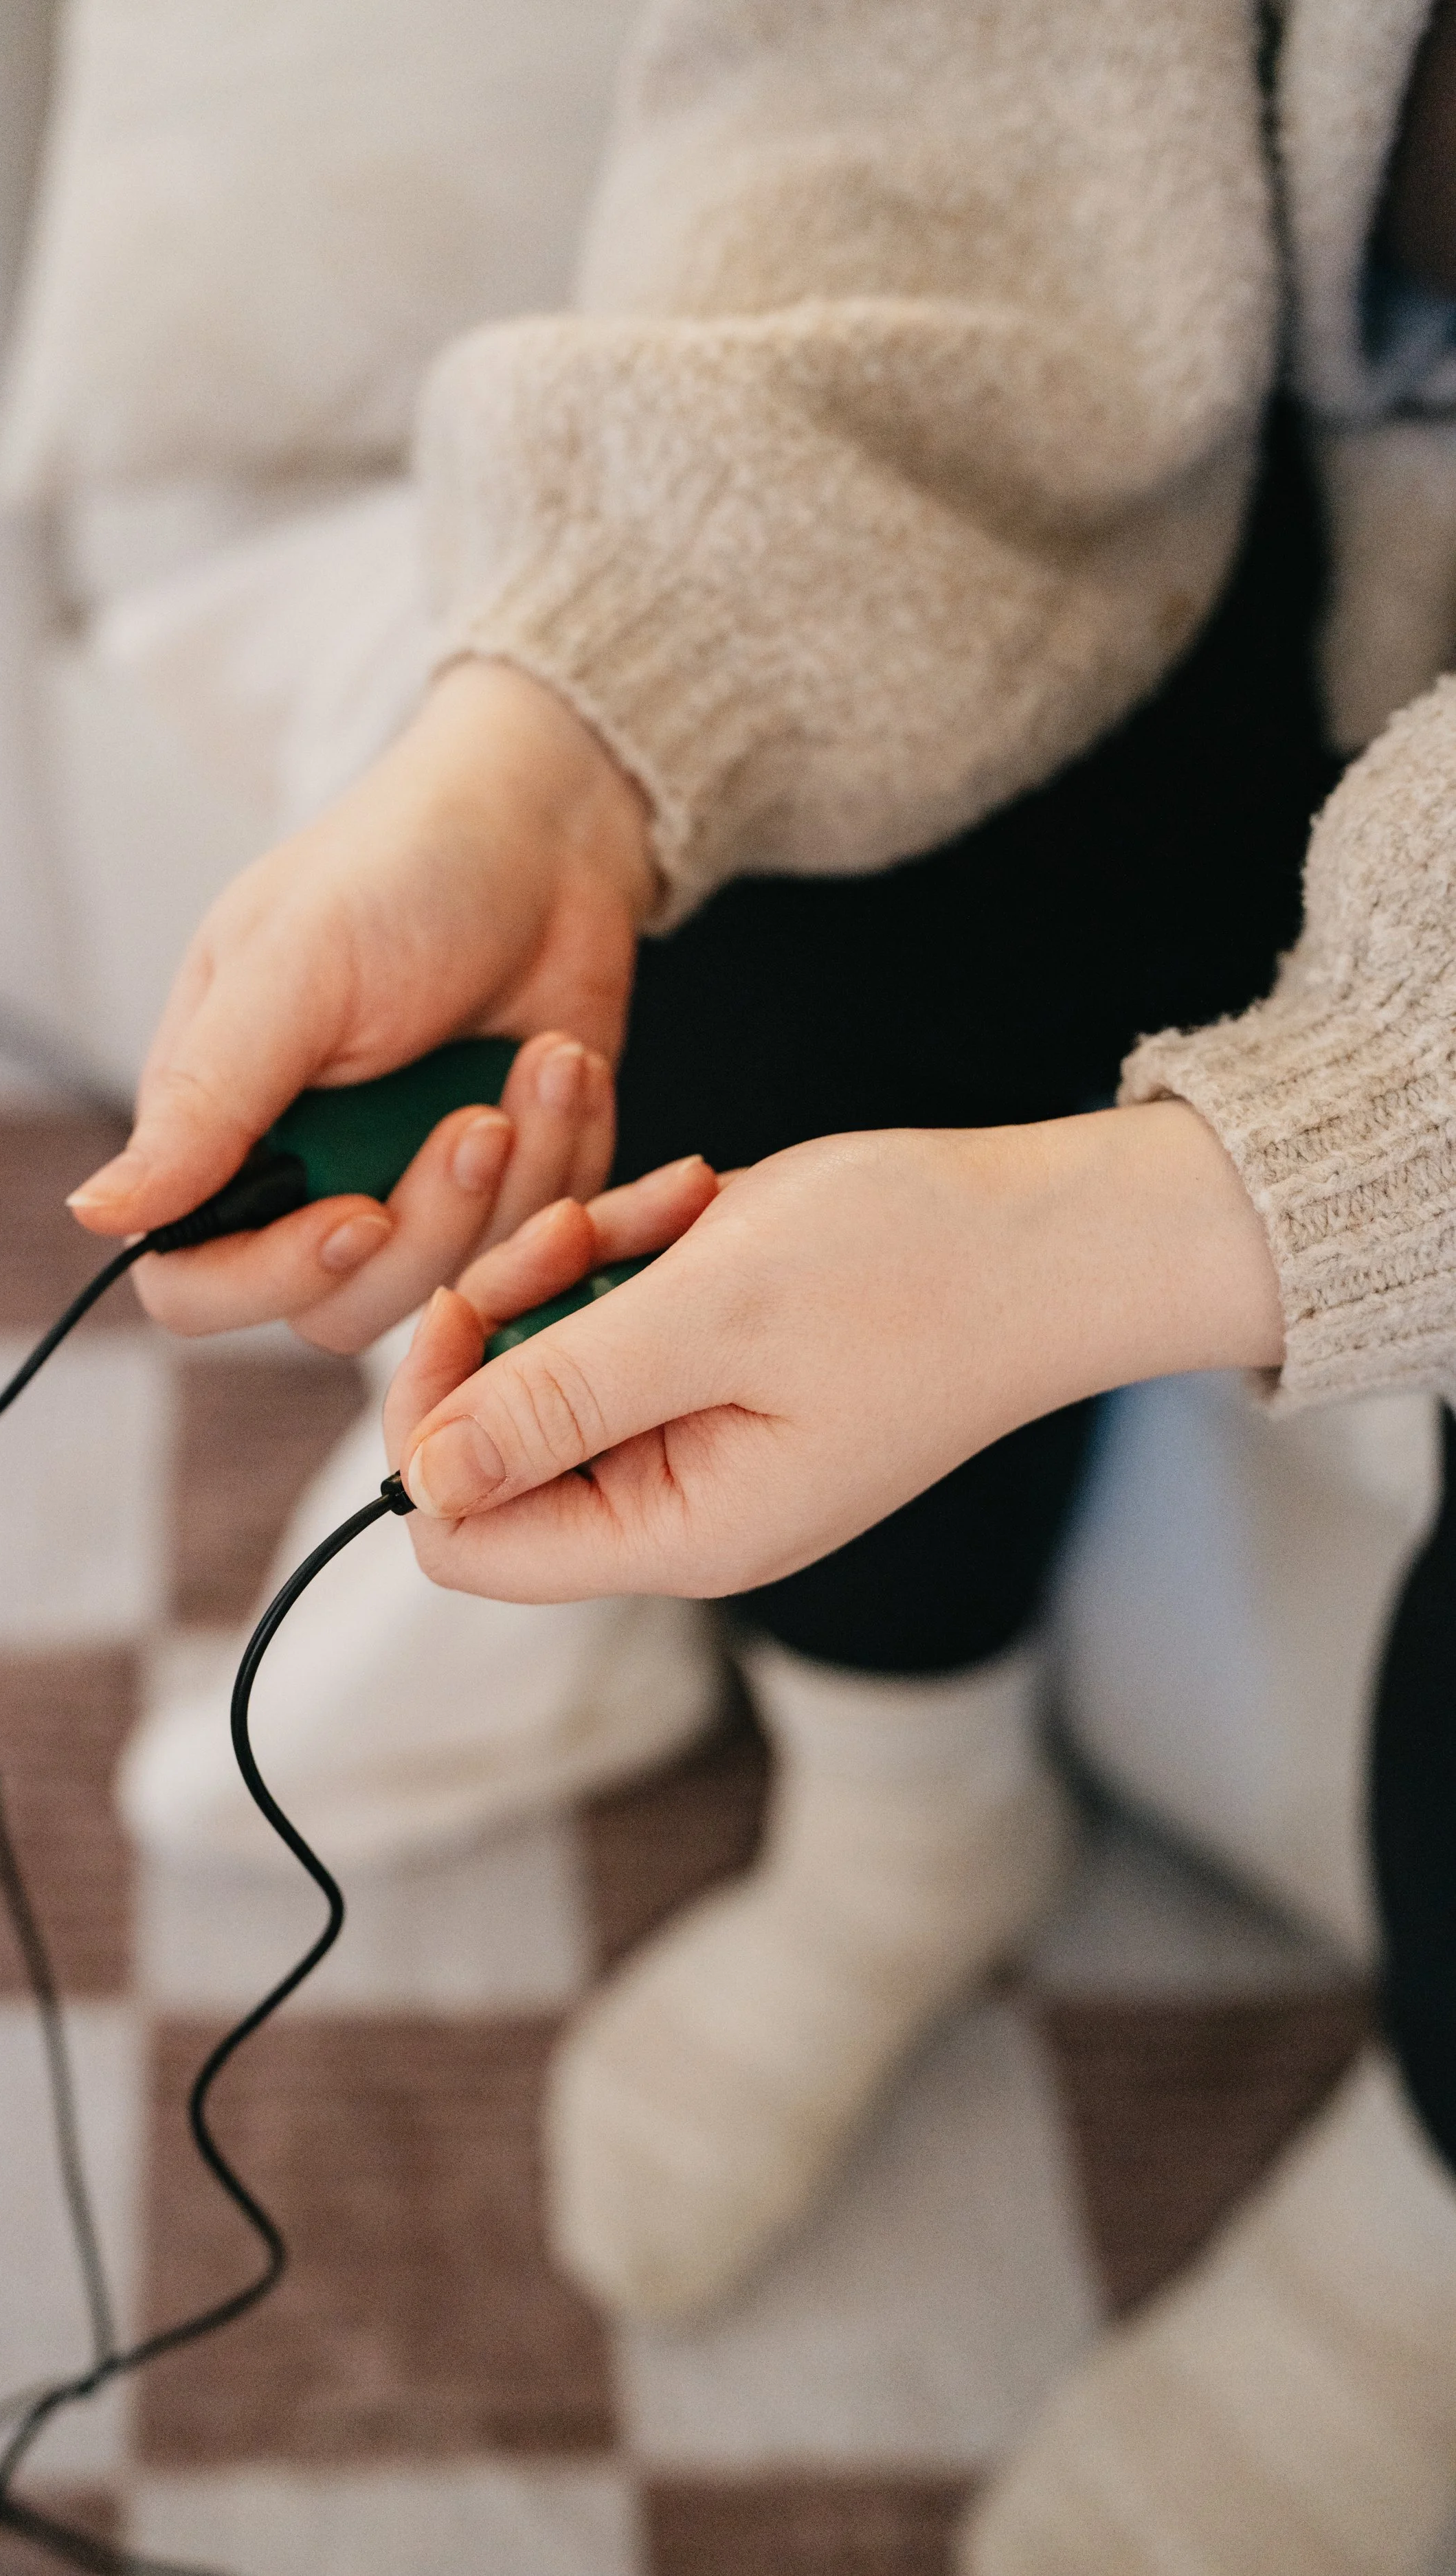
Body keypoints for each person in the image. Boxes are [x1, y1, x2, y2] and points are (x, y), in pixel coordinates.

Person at [72, 3, 1456, 2564]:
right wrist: (554, 741)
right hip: (1231, 392)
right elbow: (913, 78)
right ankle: (907, 1826)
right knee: (747, 879)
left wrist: (1182, 1214)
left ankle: (1427, 2257)